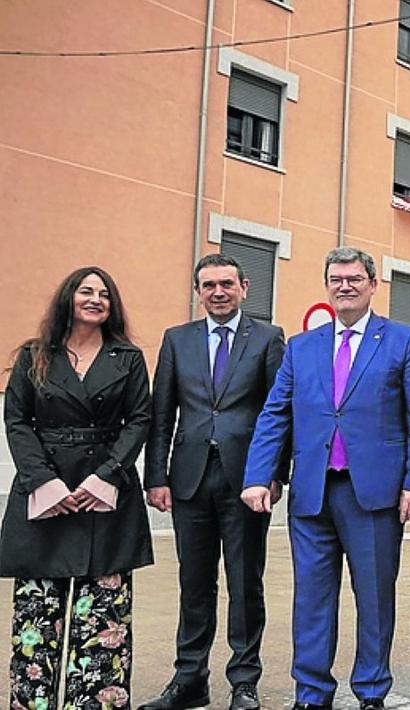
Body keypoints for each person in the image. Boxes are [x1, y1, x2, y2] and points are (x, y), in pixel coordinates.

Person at [241, 247, 410, 710]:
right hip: (311, 494)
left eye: (354, 278)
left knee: (373, 599)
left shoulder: (402, 340)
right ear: (326, 285)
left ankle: (371, 693)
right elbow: (274, 415)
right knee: (311, 600)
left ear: (372, 284)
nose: (344, 285)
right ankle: (311, 695)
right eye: (336, 278)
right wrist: (259, 475)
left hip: (373, 495)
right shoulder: (301, 347)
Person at [138, 254, 288, 710]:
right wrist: (156, 477)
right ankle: (189, 680)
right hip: (188, 480)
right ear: (197, 291)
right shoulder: (176, 340)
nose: (218, 292)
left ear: (244, 287)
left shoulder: (267, 338)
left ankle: (244, 681)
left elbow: (280, 413)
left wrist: (275, 474)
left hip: (248, 481)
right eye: (208, 285)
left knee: (246, 583)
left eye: (227, 283)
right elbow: (161, 414)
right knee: (194, 582)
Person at [1, 266, 154, 709]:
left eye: (104, 294)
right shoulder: (34, 356)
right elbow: (17, 422)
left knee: (103, 622)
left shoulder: (127, 358)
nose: (95, 299)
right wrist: (43, 481)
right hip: (44, 494)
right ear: (69, 298)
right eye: (86, 291)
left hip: (106, 496)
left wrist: (105, 475)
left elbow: (139, 420)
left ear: (112, 306)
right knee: (37, 617)